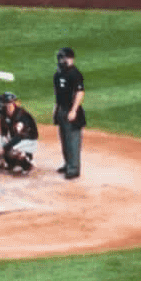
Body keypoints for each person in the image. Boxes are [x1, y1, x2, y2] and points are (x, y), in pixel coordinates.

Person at [53, 45, 86, 180]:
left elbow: (80, 92)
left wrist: (74, 110)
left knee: (73, 140)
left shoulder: (75, 74)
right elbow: (57, 93)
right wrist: (55, 109)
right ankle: (67, 164)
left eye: (62, 58)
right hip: (61, 110)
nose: (60, 60)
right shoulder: (58, 74)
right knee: (64, 139)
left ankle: (74, 169)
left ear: (69, 58)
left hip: (72, 111)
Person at [0, 92, 39, 175]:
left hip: (28, 141)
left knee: (11, 152)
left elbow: (19, 137)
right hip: (16, 140)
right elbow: (4, 133)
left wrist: (4, 148)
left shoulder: (21, 115)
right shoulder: (4, 114)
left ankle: (27, 162)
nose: (1, 106)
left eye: (8, 104)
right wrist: (3, 142)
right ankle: (5, 161)